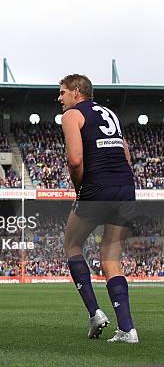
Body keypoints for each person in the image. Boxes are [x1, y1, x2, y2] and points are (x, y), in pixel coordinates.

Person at [58, 74, 138, 343]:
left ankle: (95, 313)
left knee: (71, 244)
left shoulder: (72, 115)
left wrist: (79, 190)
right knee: (111, 258)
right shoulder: (110, 114)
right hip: (125, 187)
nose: (60, 98)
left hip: (97, 187)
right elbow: (126, 154)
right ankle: (127, 329)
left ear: (77, 91)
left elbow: (75, 159)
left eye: (62, 92)